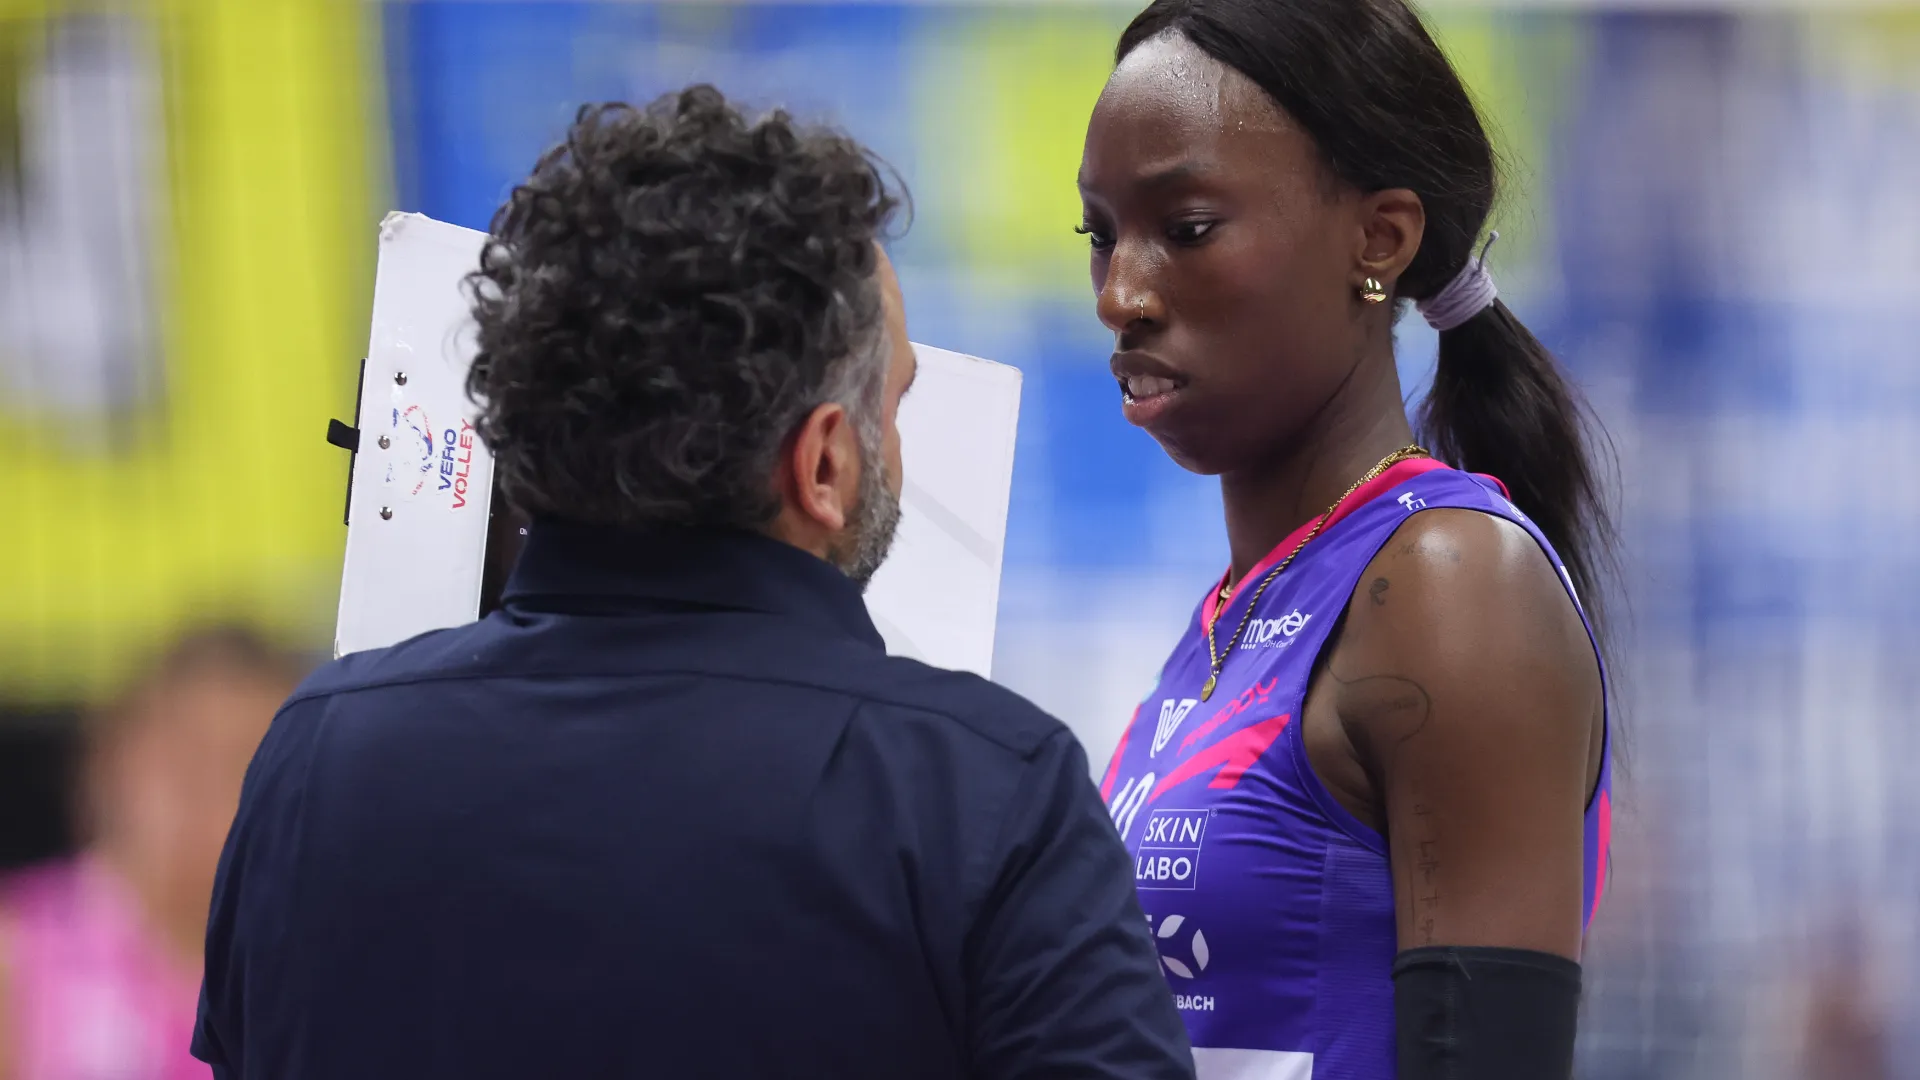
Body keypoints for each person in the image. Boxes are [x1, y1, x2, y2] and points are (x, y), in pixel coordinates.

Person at [193, 86, 1194, 1080]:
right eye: (894, 406)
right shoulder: (980, 791)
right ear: (824, 462)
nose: (899, 447)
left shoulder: (316, 762)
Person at [1077, 2, 1613, 1077]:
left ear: (1379, 239)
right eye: (1100, 236)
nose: (1120, 296)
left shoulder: (1450, 584)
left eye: (1187, 228)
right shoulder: (1234, 619)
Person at [0, 627, 301, 1080]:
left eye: (241, 763)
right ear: (105, 764)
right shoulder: (16, 951)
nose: (206, 792)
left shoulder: (318, 971)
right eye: (184, 760)